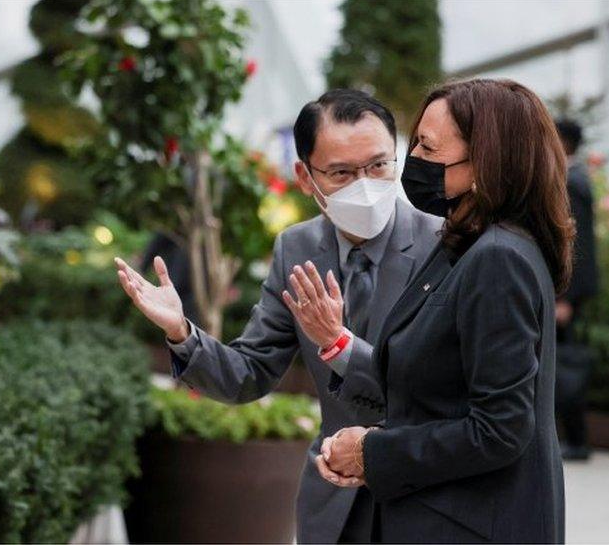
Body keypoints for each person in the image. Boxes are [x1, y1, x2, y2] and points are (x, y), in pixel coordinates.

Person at [113, 89, 443, 543]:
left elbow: (437, 389)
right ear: (305, 178)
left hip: (423, 498)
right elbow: (249, 373)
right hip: (333, 505)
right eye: (342, 173)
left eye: (379, 165)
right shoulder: (299, 248)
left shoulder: (444, 245)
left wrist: (340, 344)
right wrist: (181, 332)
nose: (365, 184)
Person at [318, 79, 573, 543]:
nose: (413, 158)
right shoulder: (464, 243)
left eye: (429, 148)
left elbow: (500, 430)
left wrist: (372, 453)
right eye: (415, 141)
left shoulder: (499, 258)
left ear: (485, 162)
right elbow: (436, 389)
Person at [554, 118, 600, 461]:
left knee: (564, 365)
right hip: (568, 291)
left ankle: (577, 440)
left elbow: (577, 243)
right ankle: (572, 438)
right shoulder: (575, 178)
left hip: (567, 294)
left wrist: (565, 297)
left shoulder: (572, 182)